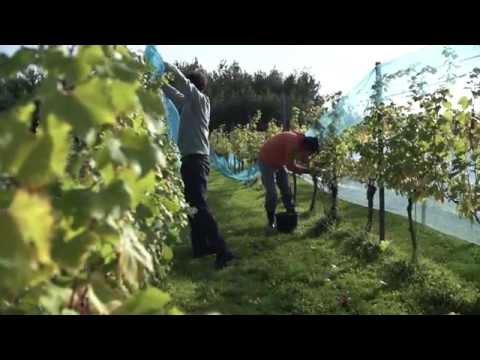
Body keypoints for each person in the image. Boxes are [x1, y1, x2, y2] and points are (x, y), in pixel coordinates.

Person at [162, 62, 235, 269]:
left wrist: (165, 65)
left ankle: (223, 250)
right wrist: (156, 79)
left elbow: (182, 84)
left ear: (195, 86)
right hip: (189, 159)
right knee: (192, 207)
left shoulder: (201, 100)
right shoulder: (188, 103)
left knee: (199, 206)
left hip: (197, 160)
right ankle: (200, 247)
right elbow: (173, 92)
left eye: (189, 85)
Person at [257, 131, 320, 231]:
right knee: (272, 193)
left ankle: (291, 215)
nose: (309, 155)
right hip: (266, 160)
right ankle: (271, 221)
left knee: (286, 189)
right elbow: (290, 167)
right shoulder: (293, 144)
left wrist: (311, 167)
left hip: (278, 162)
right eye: (310, 152)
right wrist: (308, 171)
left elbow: (304, 158)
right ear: (306, 147)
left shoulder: (302, 142)